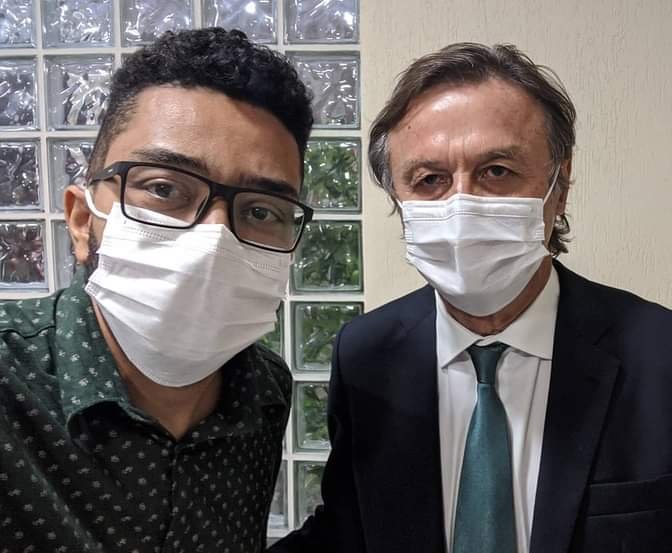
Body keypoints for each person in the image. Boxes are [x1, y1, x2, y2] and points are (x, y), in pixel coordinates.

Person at [270, 43, 672, 553]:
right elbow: (350, 528)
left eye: (497, 171)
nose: (462, 203)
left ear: (560, 186)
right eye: (430, 180)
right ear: (397, 199)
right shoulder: (366, 355)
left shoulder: (658, 353)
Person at [0, 28, 314, 552]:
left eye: (261, 211)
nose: (214, 238)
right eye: (164, 188)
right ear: (82, 220)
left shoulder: (263, 393)